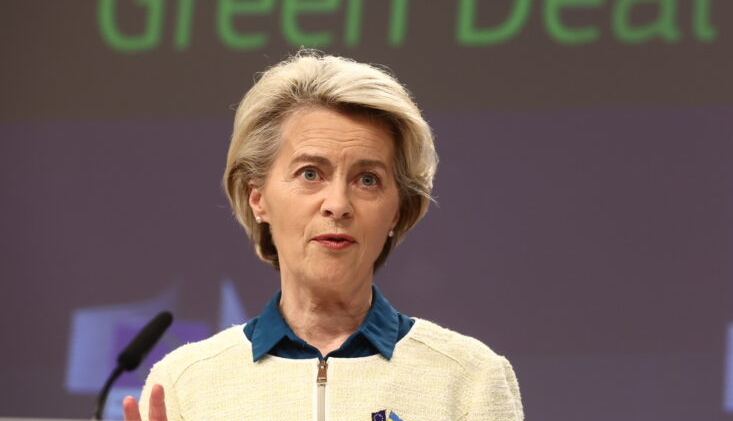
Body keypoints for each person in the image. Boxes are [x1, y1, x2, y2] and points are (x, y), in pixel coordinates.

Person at [123, 51, 523, 421]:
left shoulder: (470, 380)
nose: (338, 204)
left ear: (397, 211)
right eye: (310, 173)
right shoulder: (183, 383)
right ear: (258, 198)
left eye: (367, 180)